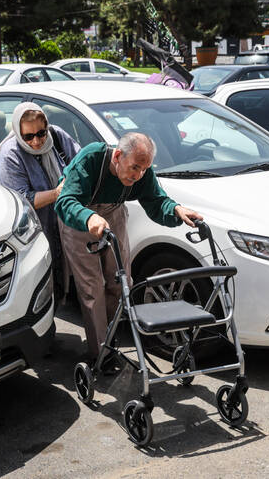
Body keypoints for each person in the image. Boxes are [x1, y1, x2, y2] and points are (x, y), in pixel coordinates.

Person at [54, 133, 203, 360]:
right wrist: (88, 218)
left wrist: (176, 210)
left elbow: (156, 200)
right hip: (79, 215)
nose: (138, 175)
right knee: (92, 288)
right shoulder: (91, 158)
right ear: (117, 156)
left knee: (120, 280)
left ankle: (112, 340)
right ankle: (101, 354)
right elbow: (65, 201)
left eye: (144, 169)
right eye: (134, 168)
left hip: (113, 212)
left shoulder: (141, 169)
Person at [0, 102, 81, 301]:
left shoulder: (56, 136)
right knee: (43, 290)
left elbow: (79, 163)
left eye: (41, 133)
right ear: (18, 132)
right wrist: (57, 193)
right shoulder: (11, 154)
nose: (37, 141)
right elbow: (21, 199)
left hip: (65, 227)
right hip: (35, 233)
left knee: (64, 283)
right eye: (28, 136)